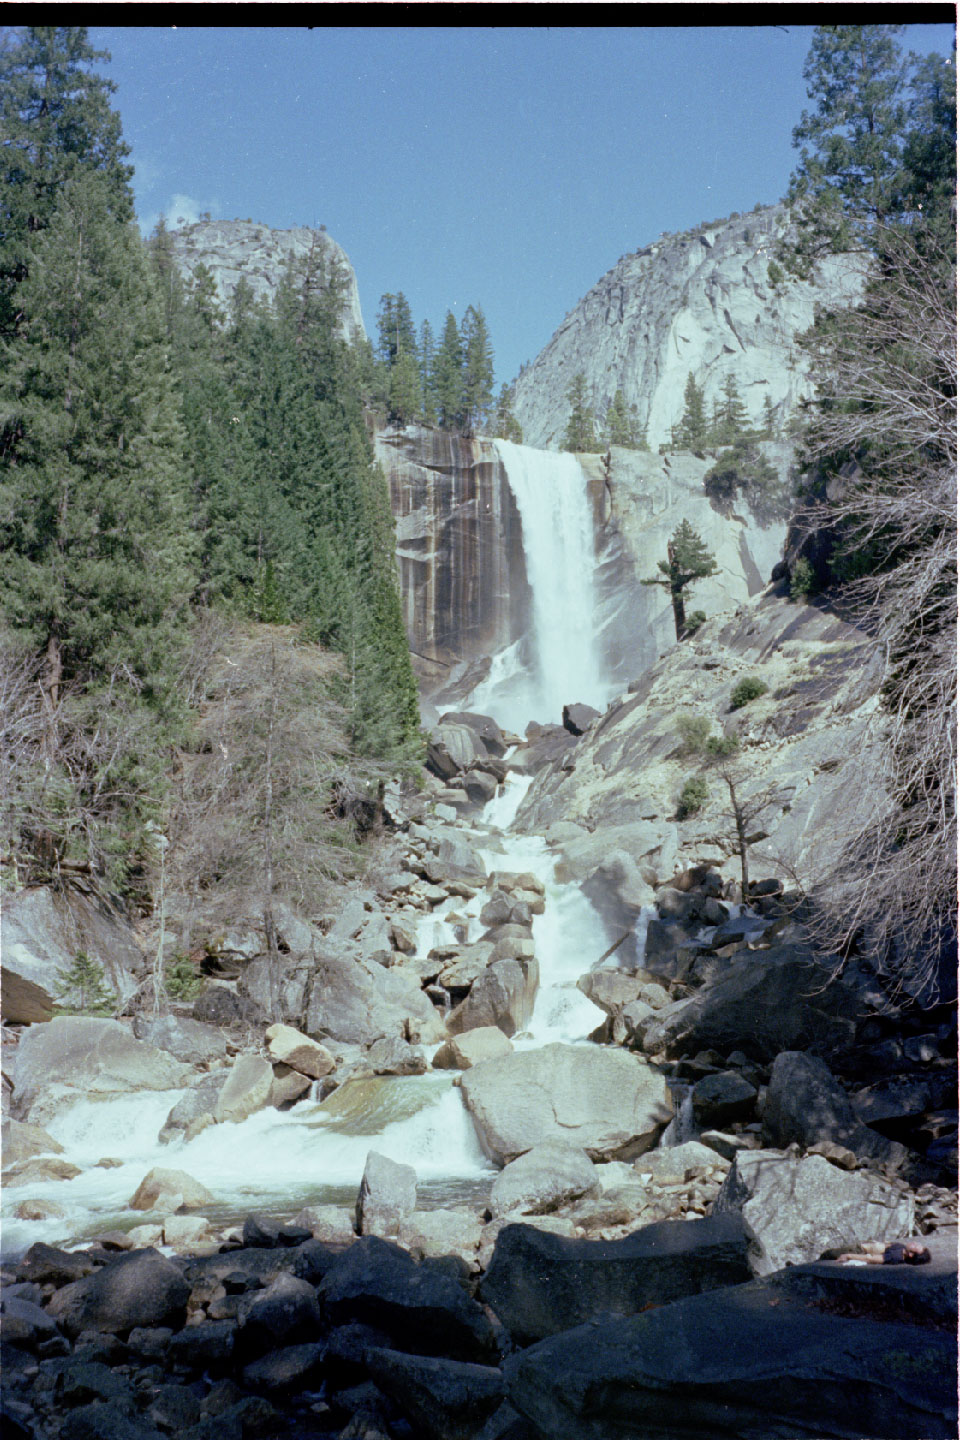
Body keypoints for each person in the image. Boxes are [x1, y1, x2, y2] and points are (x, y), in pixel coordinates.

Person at [829, 1240, 931, 1265]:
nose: (915, 1243)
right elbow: (888, 1244)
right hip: (863, 1245)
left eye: (916, 1246)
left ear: (911, 1254)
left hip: (858, 1250)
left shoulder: (895, 1256)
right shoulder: (903, 1247)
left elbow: (871, 1258)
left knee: (829, 1254)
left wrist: (848, 1256)